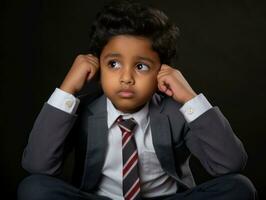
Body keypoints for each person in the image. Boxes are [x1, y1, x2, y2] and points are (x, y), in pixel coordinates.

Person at [17, 0, 257, 199]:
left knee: (240, 186)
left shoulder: (176, 113)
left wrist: (190, 98)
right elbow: (38, 165)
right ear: (98, 67)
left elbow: (230, 164)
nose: (126, 78)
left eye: (141, 66)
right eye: (114, 64)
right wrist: (67, 88)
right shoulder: (85, 111)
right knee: (33, 188)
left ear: (160, 72)